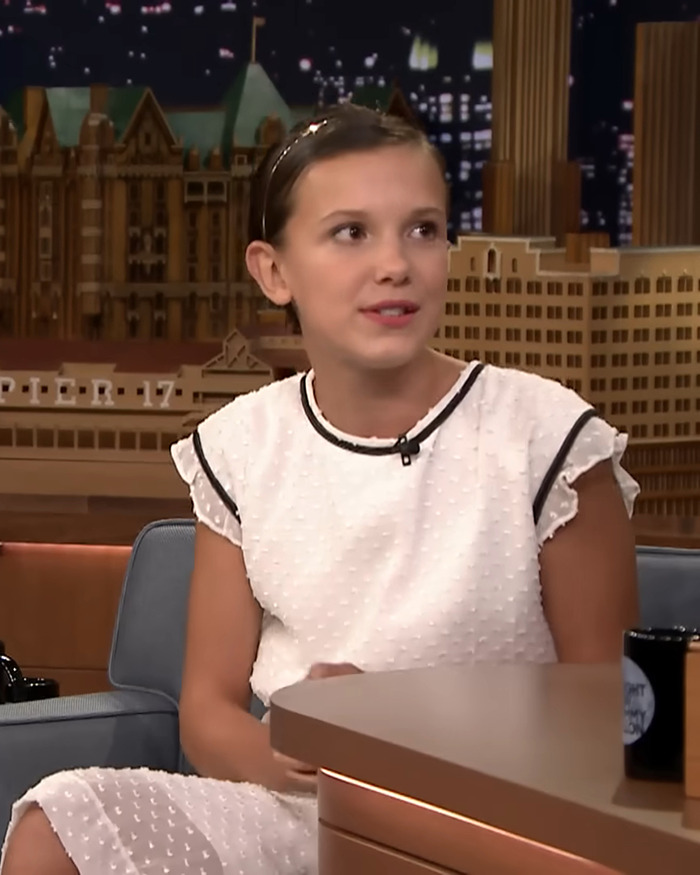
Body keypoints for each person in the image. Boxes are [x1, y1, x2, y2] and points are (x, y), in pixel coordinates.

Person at [0, 103, 639, 875]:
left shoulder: (549, 439)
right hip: (298, 806)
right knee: (57, 821)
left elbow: (615, 712)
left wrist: (407, 719)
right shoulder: (241, 446)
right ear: (274, 271)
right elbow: (208, 711)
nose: (395, 263)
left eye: (423, 229)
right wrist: (297, 754)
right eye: (351, 233)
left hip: (495, 820)